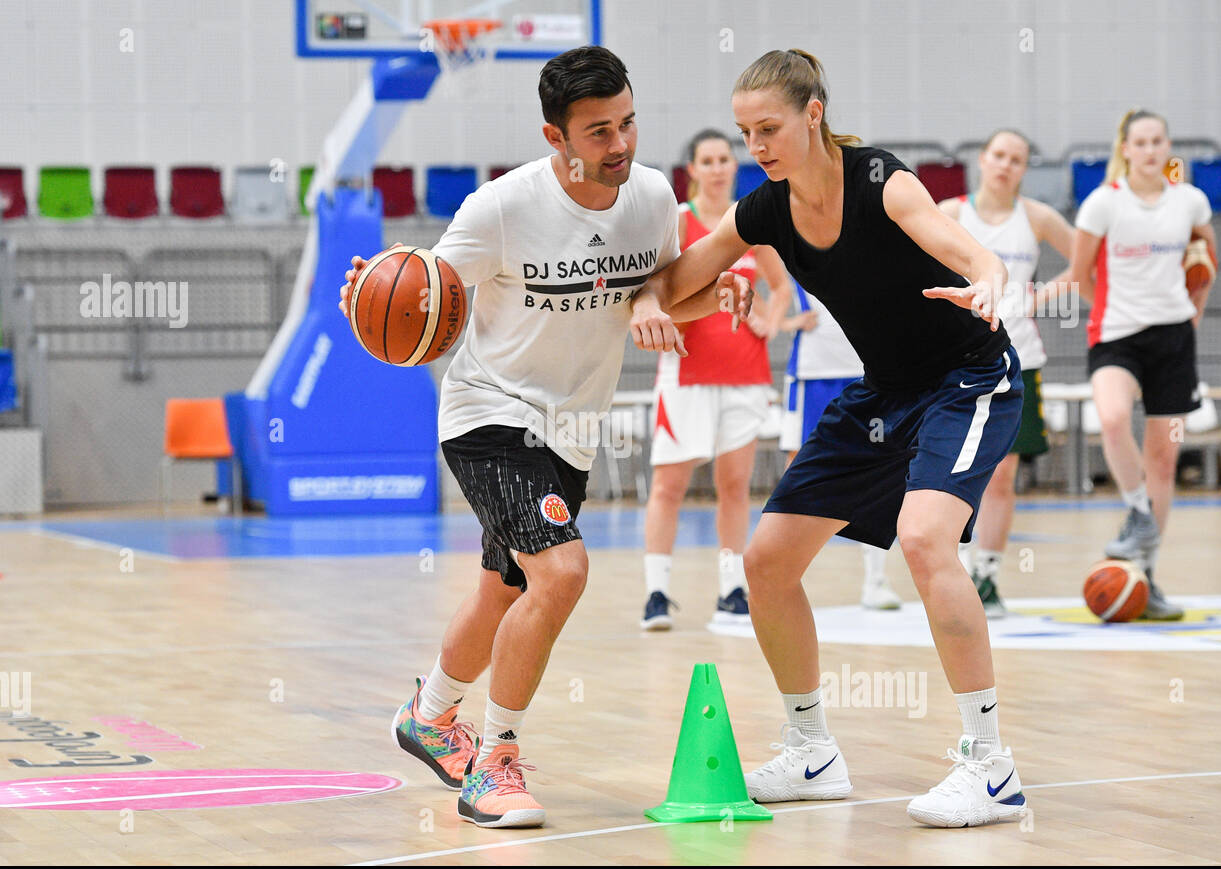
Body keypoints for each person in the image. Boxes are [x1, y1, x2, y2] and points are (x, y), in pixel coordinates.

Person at [339, 47, 748, 829]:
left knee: (507, 587)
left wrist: (708, 294)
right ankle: (493, 763)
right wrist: (370, 294)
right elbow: (424, 292)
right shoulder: (501, 208)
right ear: (554, 136)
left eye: (628, 122)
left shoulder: (653, 196)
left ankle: (428, 716)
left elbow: (654, 295)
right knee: (560, 573)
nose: (621, 144)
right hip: (489, 415)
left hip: (571, 431)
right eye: (599, 132)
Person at [631, 48, 1031, 827]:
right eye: (747, 133)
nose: (758, 147)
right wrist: (660, 299)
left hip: (968, 378)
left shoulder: (882, 180)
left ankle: (990, 765)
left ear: (813, 113)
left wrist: (988, 278)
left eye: (769, 128)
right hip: (884, 392)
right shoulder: (765, 208)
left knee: (924, 540)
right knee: (767, 561)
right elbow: (680, 287)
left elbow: (962, 246)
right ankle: (810, 748)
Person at [1068, 109, 1217, 621]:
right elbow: (1078, 273)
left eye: (1159, 141)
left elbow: (1206, 265)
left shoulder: (1190, 200)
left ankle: (1147, 575)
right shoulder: (1102, 204)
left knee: (1165, 460)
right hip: (1116, 336)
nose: (1151, 150)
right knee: (1111, 418)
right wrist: (1113, 309)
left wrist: (1192, 317)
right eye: (1141, 142)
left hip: (1174, 339)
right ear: (1126, 148)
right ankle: (1138, 514)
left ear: (1167, 147)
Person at [641, 128, 793, 631]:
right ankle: (657, 592)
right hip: (687, 374)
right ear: (692, 170)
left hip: (746, 375)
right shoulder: (677, 225)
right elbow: (658, 295)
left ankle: (732, 588)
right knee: (670, 485)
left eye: (725, 158)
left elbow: (780, 284)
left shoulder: (751, 221)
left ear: (734, 166)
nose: (717, 167)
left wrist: (771, 320)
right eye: (707, 159)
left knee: (735, 485)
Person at [937, 129, 1075, 617]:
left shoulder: (1036, 217)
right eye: (999, 155)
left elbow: (1086, 261)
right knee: (950, 472)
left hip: (1021, 359)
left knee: (1003, 475)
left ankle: (988, 575)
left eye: (1017, 159)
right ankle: (948, 567)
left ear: (1024, 168)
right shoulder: (951, 213)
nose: (1005, 165)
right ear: (982, 159)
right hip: (960, 360)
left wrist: (1043, 297)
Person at [778, 282, 903, 610]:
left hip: (870, 369)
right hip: (813, 373)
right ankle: (778, 573)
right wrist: (783, 322)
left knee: (879, 468)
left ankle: (875, 579)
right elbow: (765, 279)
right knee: (800, 470)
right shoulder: (787, 241)